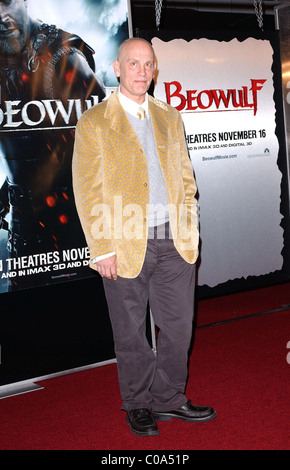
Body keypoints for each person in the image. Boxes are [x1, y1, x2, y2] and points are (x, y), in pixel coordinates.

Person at [72, 37, 216, 436]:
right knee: (131, 331)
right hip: (123, 241)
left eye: (148, 64)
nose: (141, 70)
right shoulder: (95, 121)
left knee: (179, 327)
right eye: (133, 63)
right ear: (117, 69)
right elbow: (87, 190)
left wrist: (190, 225)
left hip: (175, 242)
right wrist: (101, 247)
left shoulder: (170, 116)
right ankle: (137, 402)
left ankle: (169, 398)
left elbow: (186, 180)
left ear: (155, 70)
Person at [0, 0, 105, 288]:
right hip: (23, 240)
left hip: (73, 236)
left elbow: (106, 142)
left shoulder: (63, 57)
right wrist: (9, 194)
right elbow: (29, 151)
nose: (0, 15)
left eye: (6, 1)